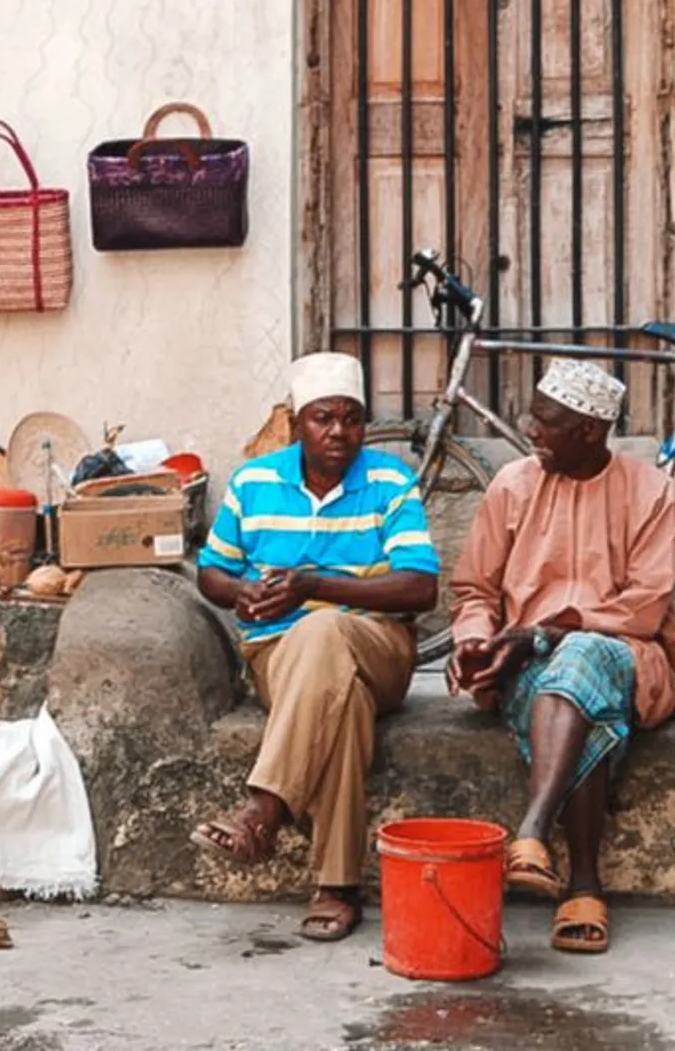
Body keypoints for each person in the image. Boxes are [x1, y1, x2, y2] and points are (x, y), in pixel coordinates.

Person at [448, 358, 675, 955]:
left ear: (591, 430)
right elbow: (476, 590)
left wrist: (549, 631)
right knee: (582, 700)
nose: (530, 432)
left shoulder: (652, 492)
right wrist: (475, 641)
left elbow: (644, 606)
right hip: (526, 660)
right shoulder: (513, 485)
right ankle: (583, 884)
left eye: (546, 421)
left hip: (631, 652)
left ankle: (533, 826)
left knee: (582, 652)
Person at [190, 351, 439, 941]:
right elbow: (210, 574)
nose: (339, 433)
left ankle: (263, 808)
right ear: (297, 423)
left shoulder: (388, 482)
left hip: (379, 647)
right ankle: (336, 887)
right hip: (278, 655)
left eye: (351, 419)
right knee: (343, 702)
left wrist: (314, 585)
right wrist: (243, 593)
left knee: (325, 627)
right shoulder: (254, 482)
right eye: (324, 419)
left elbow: (422, 587)